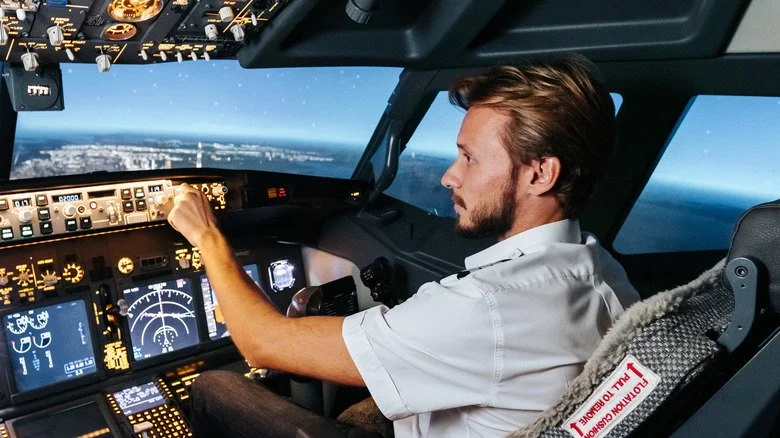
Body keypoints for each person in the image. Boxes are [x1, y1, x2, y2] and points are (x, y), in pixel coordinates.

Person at [168, 55, 640, 437]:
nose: (449, 176)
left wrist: (208, 236)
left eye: (470, 158)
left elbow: (260, 344)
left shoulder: (490, 310)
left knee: (213, 389)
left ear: (540, 173)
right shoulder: (602, 270)